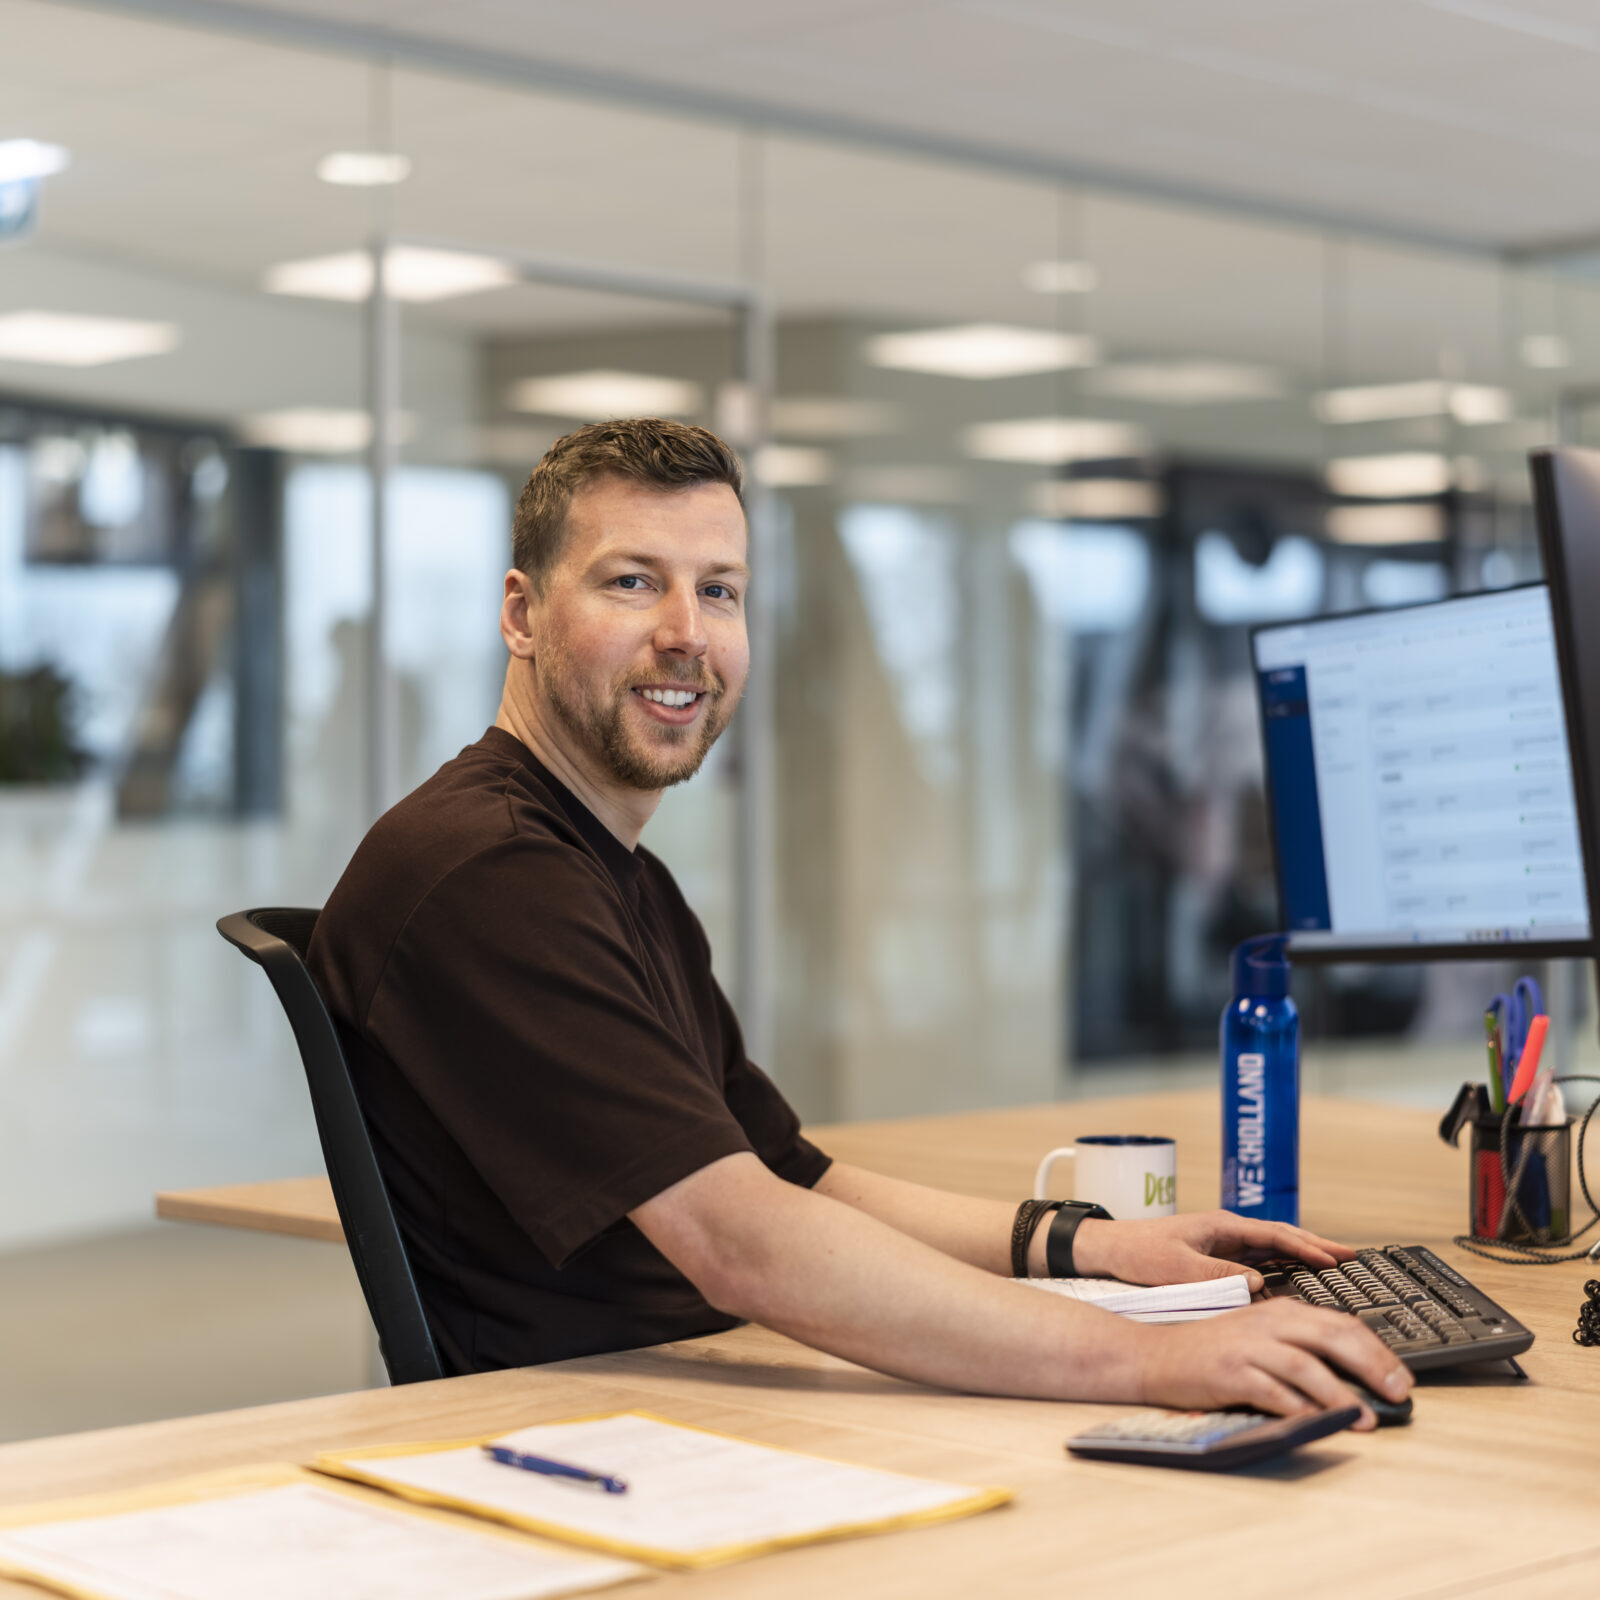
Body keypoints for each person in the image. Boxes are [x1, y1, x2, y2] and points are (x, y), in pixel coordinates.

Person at [310, 417, 1411, 1426]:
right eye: (632, 582)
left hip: (698, 1388)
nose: (686, 633)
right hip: (598, 1436)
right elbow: (743, 1241)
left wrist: (1091, 1245)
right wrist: (1150, 1358)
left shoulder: (613, 874)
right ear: (520, 614)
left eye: (720, 590)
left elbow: (793, 1178)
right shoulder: (490, 869)